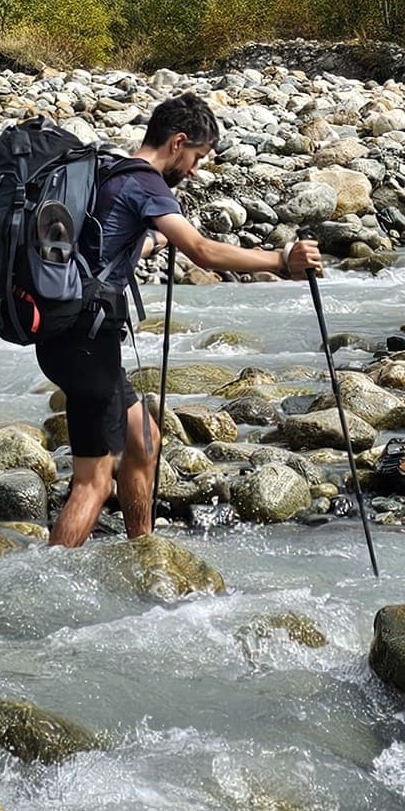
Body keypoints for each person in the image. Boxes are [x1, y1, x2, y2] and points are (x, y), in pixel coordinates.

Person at [43, 91, 323, 548]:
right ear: (177, 142)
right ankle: (40, 583)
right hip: (86, 342)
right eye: (196, 157)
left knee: (145, 440)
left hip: (72, 338)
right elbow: (204, 252)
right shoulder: (145, 183)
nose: (194, 170)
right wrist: (279, 259)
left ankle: (142, 549)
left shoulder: (106, 171)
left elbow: (112, 247)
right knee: (93, 482)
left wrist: (152, 242)